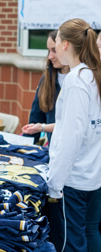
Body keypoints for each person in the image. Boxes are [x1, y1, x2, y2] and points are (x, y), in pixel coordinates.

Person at [47, 18, 101, 252]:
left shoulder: (77, 80)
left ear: (66, 44)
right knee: (91, 231)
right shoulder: (92, 76)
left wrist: (55, 184)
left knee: (73, 242)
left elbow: (72, 137)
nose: (55, 46)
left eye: (57, 40)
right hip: (93, 176)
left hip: (75, 181)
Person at [22, 30, 69, 143]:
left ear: (66, 48)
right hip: (53, 151)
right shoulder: (46, 79)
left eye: (54, 50)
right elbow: (36, 117)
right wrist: (25, 149)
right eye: (48, 51)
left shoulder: (81, 79)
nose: (50, 56)